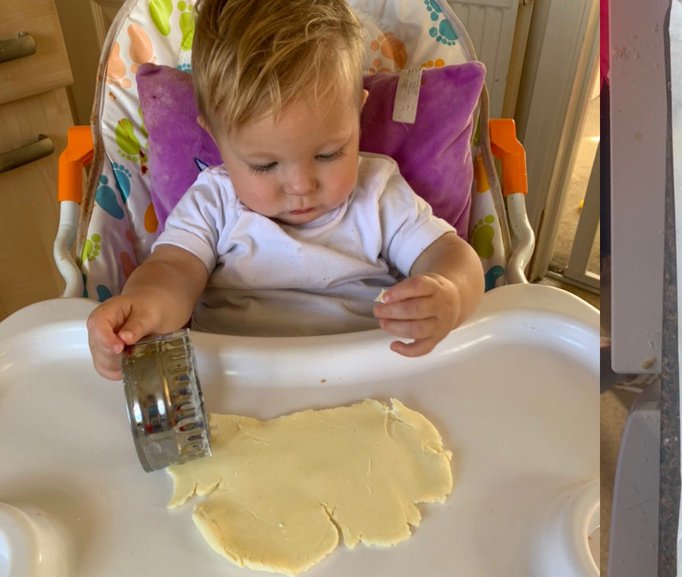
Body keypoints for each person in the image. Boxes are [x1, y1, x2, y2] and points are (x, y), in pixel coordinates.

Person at [87, 0, 483, 380]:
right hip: (239, 383)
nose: (301, 186)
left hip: (368, 377)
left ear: (357, 114)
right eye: (264, 165)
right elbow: (173, 271)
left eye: (328, 154)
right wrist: (145, 309)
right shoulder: (213, 202)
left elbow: (449, 254)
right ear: (216, 137)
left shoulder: (377, 193)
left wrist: (450, 293)